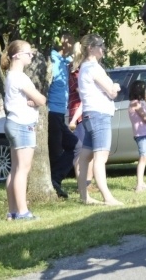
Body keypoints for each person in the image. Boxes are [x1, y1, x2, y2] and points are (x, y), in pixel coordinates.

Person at [2, 40, 47, 220]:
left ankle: (13, 211)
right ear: (18, 55)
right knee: (23, 169)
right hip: (22, 125)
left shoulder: (11, 76)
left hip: (14, 123)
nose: (31, 56)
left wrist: (33, 101)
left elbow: (34, 100)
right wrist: (36, 100)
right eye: (29, 53)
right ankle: (22, 211)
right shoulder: (19, 77)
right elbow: (42, 100)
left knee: (15, 169)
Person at [77, 34, 122, 206]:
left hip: (90, 114)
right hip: (99, 115)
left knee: (85, 156)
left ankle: (84, 196)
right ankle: (107, 197)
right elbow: (111, 92)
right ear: (91, 48)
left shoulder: (84, 67)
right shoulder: (93, 68)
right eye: (100, 46)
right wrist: (115, 87)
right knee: (100, 157)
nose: (103, 49)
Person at [47, 32, 78, 198]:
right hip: (52, 111)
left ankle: (55, 179)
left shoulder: (64, 60)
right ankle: (54, 180)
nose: (74, 43)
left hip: (59, 112)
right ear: (64, 42)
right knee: (59, 149)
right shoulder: (52, 59)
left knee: (73, 144)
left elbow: (76, 59)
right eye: (71, 40)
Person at [67, 43, 93, 188]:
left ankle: (88, 182)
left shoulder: (83, 69)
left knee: (91, 150)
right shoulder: (74, 71)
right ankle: (82, 184)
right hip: (78, 114)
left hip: (87, 112)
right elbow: (81, 91)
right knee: (81, 151)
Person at [127, 80, 146, 192]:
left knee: (145, 157)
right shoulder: (135, 104)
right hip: (141, 134)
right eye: (145, 89)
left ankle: (142, 182)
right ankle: (139, 185)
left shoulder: (139, 103)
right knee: (143, 157)